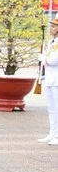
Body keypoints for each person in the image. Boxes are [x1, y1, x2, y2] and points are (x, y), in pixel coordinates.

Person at [39, 17, 58, 145]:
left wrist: (43, 58)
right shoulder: (52, 42)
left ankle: (57, 135)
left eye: (53, 27)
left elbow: (53, 60)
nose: (50, 28)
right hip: (50, 78)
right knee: (51, 108)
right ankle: (52, 133)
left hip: (56, 79)